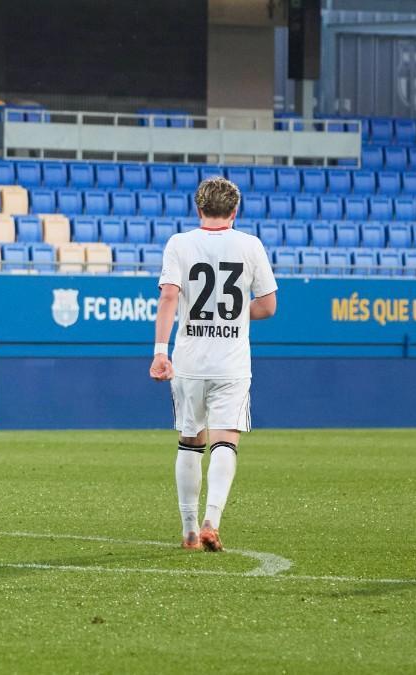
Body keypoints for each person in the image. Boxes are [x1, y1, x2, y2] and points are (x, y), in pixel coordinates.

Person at [149, 176, 277, 553]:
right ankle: (212, 522)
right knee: (226, 440)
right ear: (235, 211)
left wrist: (160, 350)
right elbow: (268, 306)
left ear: (198, 207)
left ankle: (189, 531)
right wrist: (236, 316)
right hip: (232, 364)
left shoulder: (179, 243)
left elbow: (170, 295)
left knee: (190, 441)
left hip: (188, 360)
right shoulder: (250, 245)